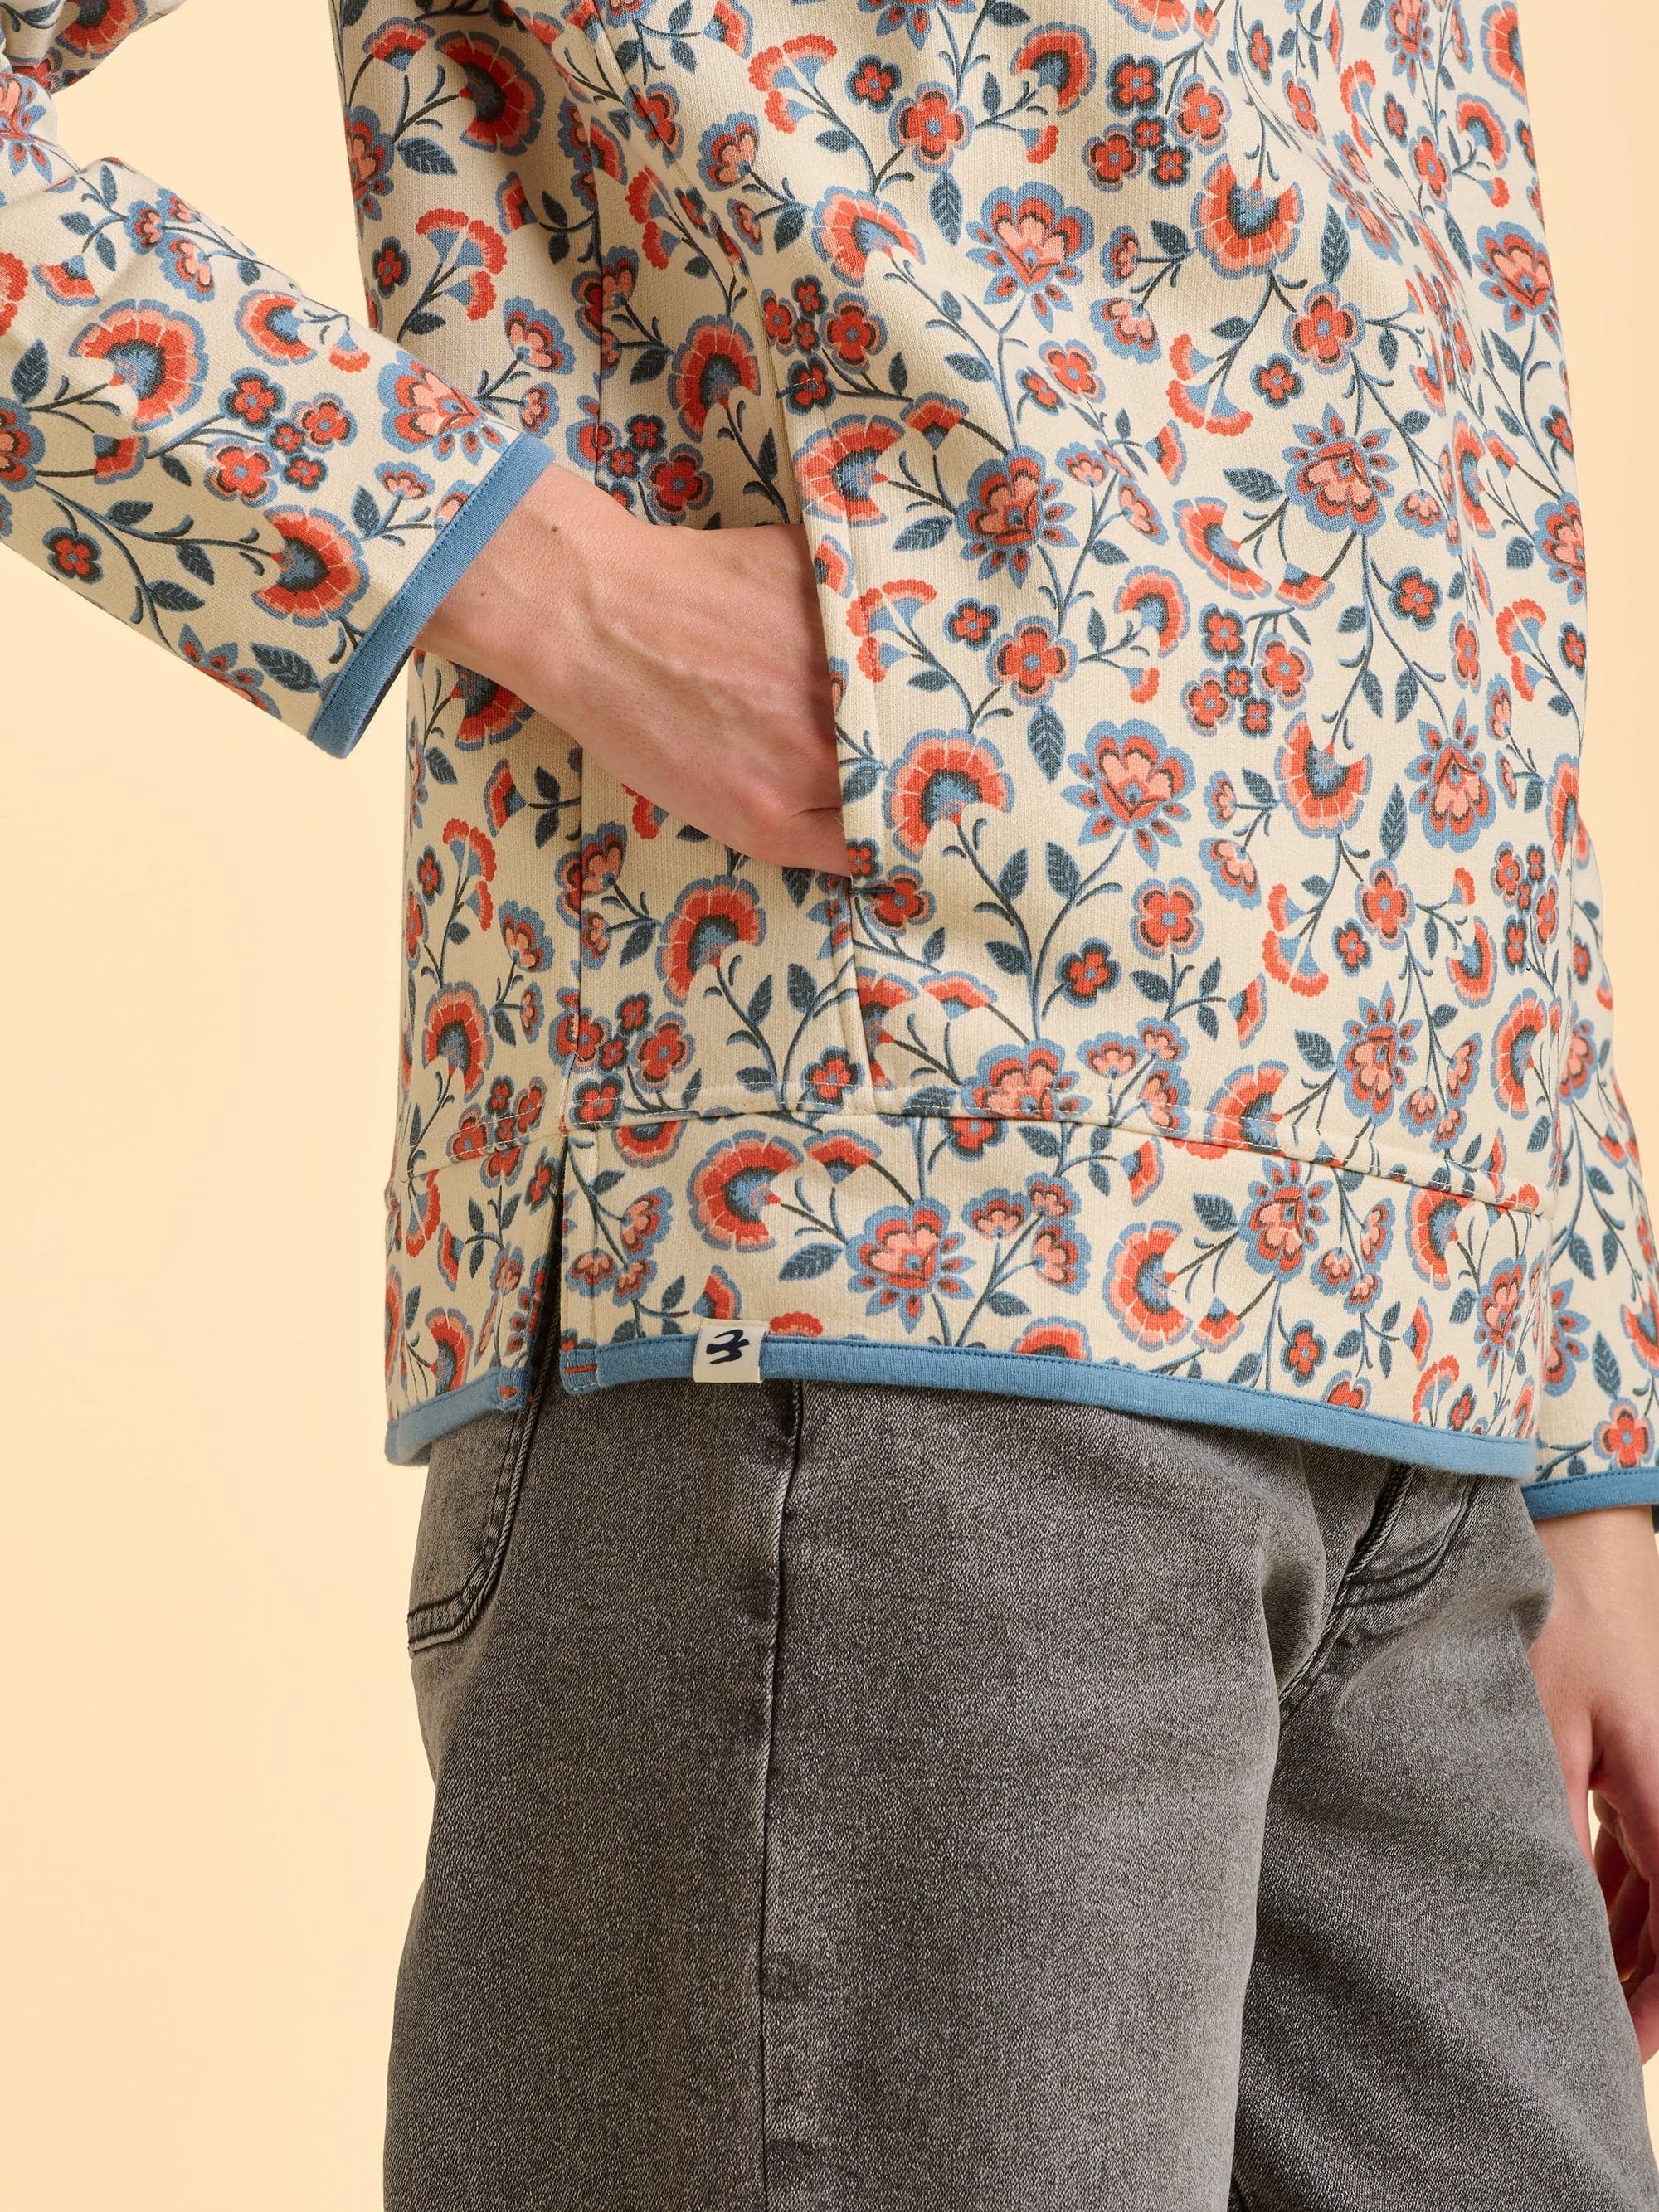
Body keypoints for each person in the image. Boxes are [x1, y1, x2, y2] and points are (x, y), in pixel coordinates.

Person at [4, 0, 1657, 2205]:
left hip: (1414, 1360)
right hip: (883, 1240)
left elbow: (1418, 340)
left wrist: (1578, 1433)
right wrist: (546, 580)